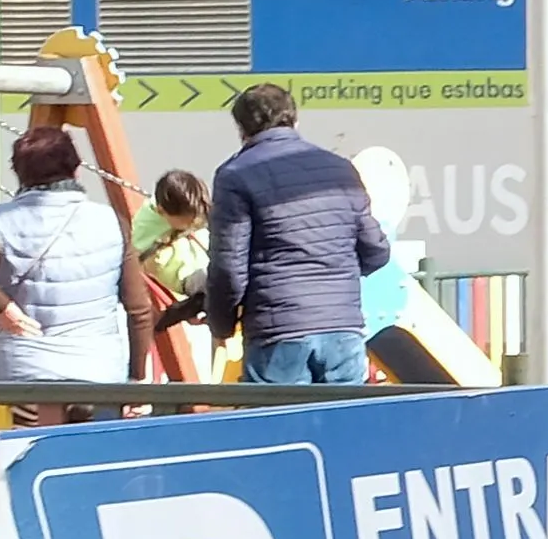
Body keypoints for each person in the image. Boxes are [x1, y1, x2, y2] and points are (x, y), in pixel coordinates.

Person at [205, 82, 392, 388]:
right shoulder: (341, 169)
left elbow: (229, 267)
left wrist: (221, 325)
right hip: (342, 329)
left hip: (277, 331)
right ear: (294, 119)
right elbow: (376, 251)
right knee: (343, 429)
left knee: (276, 431)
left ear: (241, 129)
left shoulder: (235, 175)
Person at [0, 124, 127, 404]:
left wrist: (3, 306)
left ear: (19, 173)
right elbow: (138, 307)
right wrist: (137, 380)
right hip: (98, 373)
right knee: (95, 445)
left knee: (17, 445)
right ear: (76, 169)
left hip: (21, 374)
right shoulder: (111, 221)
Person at [130, 168, 215, 381]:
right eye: (188, 221)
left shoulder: (171, 210)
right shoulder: (147, 224)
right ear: (161, 212)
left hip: (196, 263)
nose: (195, 222)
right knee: (218, 285)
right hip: (183, 273)